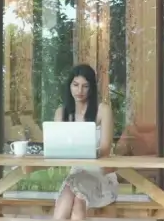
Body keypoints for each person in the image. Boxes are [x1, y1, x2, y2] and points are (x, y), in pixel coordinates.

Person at [51, 64, 116, 220]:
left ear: (91, 88)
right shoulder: (61, 113)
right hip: (76, 173)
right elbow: (56, 147)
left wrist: (84, 152)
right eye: (75, 85)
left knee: (75, 198)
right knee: (73, 200)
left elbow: (105, 149)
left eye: (85, 86)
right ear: (69, 86)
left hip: (100, 174)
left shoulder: (102, 110)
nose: (79, 90)